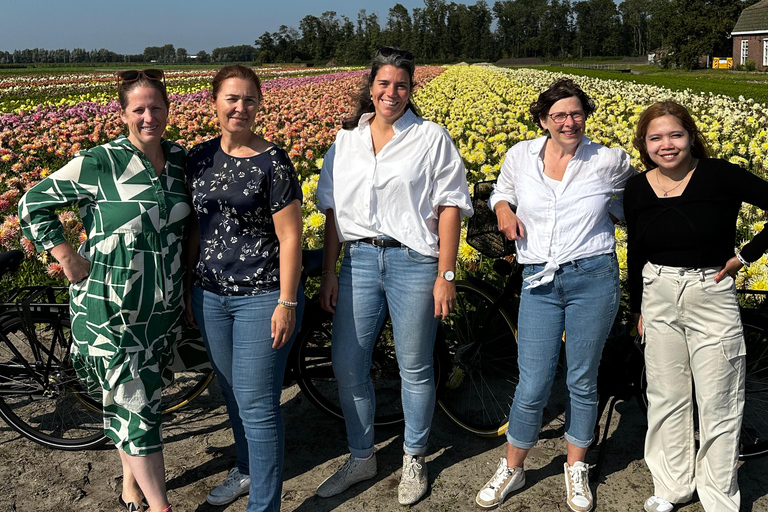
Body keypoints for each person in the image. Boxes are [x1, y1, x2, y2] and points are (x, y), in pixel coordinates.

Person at [19, 69, 183, 512]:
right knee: (136, 407)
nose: (149, 116)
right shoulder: (101, 162)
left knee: (140, 402)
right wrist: (67, 257)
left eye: (156, 107)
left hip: (161, 307)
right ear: (123, 113)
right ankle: (161, 507)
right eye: (139, 109)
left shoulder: (179, 160)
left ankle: (131, 487)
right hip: (110, 306)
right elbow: (32, 202)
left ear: (168, 109)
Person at [314, 47, 473, 506]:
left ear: (410, 89)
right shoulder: (346, 142)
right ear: (370, 88)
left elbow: (449, 207)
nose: (392, 93)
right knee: (348, 364)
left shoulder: (430, 137)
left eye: (401, 85)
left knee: (415, 367)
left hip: (413, 262)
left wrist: (447, 272)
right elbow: (331, 213)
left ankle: (414, 457)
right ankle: (363, 456)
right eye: (384, 84)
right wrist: (328, 273)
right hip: (359, 261)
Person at [476, 78, 636, 512]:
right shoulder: (520, 156)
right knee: (533, 381)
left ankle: (576, 467)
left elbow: (635, 202)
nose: (569, 122)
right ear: (544, 120)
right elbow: (501, 192)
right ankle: (513, 466)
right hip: (538, 282)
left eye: (576, 113)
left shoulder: (609, 160)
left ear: (586, 116)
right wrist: (504, 209)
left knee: (582, 379)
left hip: (592, 277)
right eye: (559, 115)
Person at [624, 100, 768, 512]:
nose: (666, 145)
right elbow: (635, 252)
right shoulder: (636, 187)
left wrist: (747, 255)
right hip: (658, 292)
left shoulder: (720, 175)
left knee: (718, 397)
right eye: (656, 137)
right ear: (644, 143)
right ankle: (673, 485)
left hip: (711, 289)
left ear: (690, 136)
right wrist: (637, 309)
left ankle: (719, 495)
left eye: (675, 135)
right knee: (666, 395)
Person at [185, 64, 304, 512]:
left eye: (249, 99)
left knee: (257, 404)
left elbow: (291, 236)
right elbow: (197, 227)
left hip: (261, 295)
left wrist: (286, 302)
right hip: (210, 295)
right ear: (214, 102)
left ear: (259, 104)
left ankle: (264, 505)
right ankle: (247, 469)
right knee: (232, 394)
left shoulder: (273, 160)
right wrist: (187, 285)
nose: (240, 107)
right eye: (232, 99)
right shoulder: (198, 157)